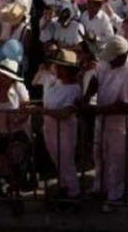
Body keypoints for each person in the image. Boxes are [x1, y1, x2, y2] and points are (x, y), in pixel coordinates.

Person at [80, 35, 128, 214]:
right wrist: (86, 98)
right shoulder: (106, 61)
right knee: (98, 154)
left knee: (117, 160)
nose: (108, 62)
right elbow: (95, 78)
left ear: (122, 55)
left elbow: (126, 105)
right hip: (102, 115)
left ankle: (115, 195)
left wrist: (96, 110)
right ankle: (98, 187)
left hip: (122, 122)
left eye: (113, 60)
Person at [0, 58, 31, 215]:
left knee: (16, 169)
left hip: (16, 136)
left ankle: (17, 199)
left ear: (11, 78)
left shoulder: (20, 89)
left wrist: (15, 119)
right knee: (2, 168)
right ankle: (7, 196)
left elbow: (27, 110)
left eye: (3, 75)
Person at [41, 50, 82, 206]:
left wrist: (44, 111)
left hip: (65, 133)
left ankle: (74, 193)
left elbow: (65, 112)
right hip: (50, 130)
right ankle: (63, 187)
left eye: (60, 66)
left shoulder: (74, 89)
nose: (56, 69)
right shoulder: (56, 84)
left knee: (67, 163)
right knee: (58, 162)